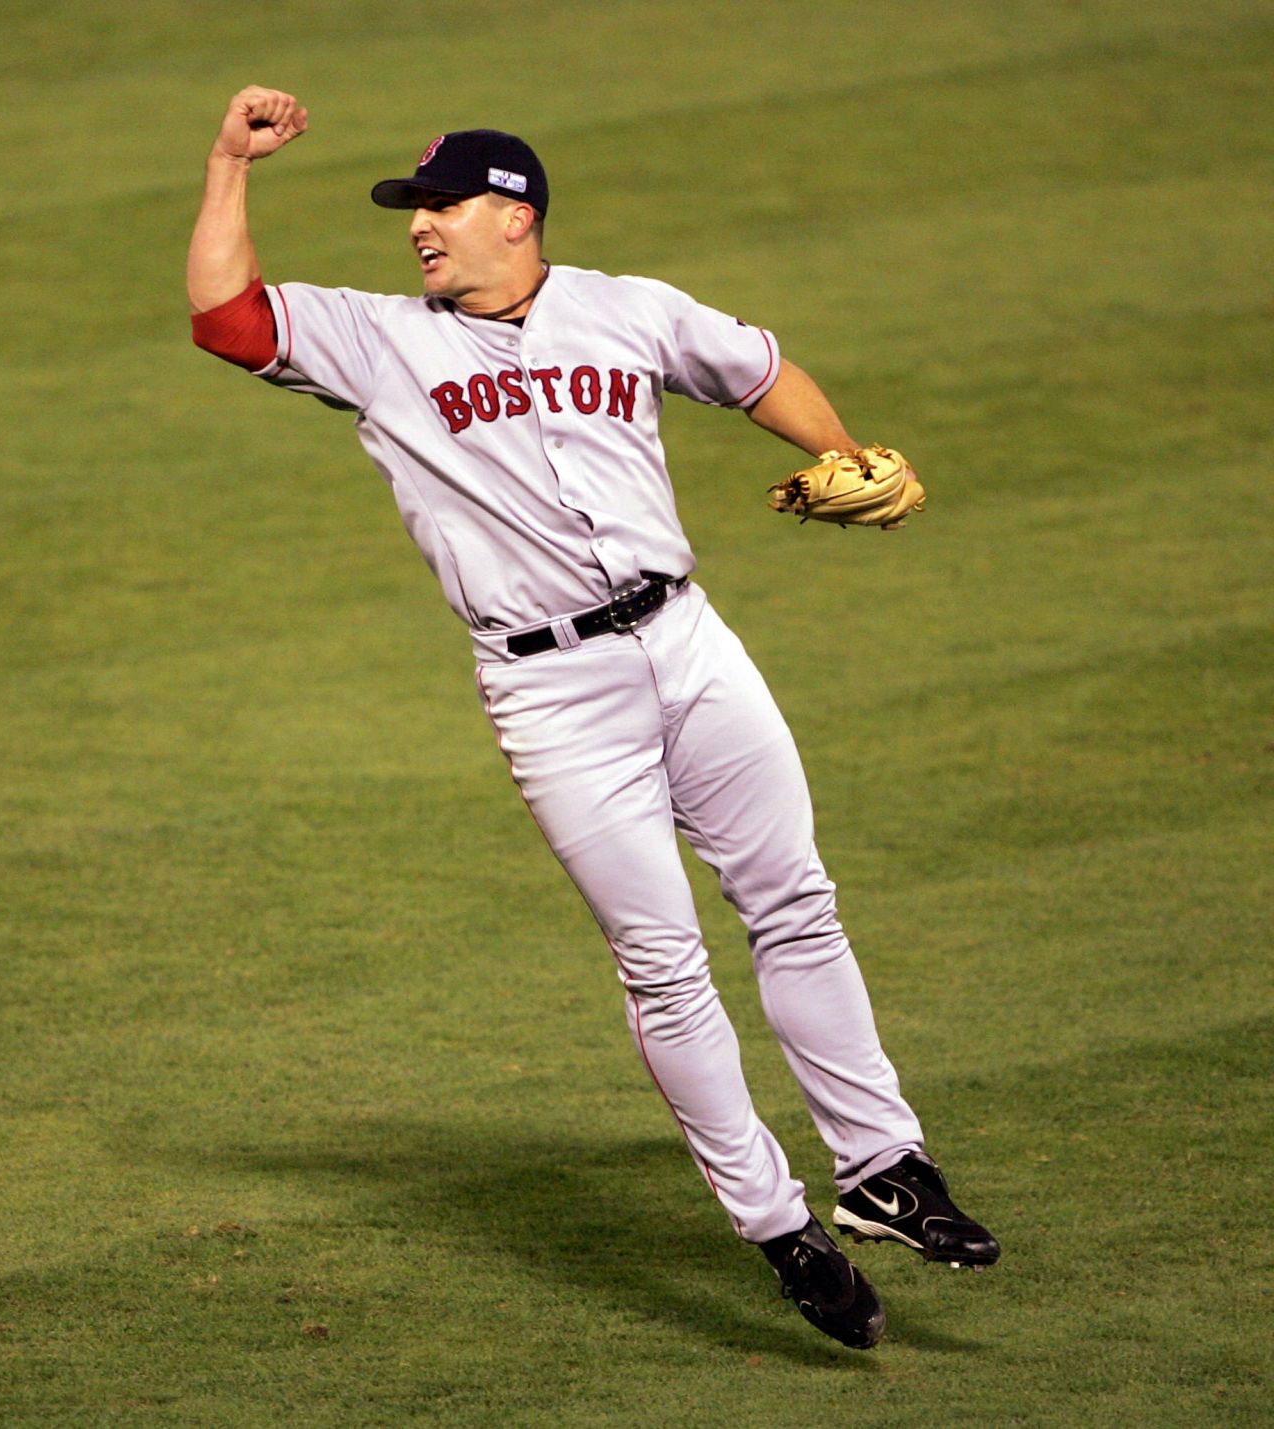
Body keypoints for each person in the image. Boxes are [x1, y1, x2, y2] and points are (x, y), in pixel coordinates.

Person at [185, 86, 1000, 1350]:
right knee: (663, 962)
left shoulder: (628, 307)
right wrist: (227, 166)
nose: (418, 229)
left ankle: (882, 1167)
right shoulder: (375, 342)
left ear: (514, 214)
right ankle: (776, 1224)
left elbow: (757, 370)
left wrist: (843, 446)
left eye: (440, 205)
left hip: (688, 641)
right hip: (550, 692)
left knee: (793, 899)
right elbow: (225, 319)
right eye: (413, 210)